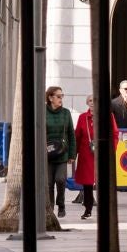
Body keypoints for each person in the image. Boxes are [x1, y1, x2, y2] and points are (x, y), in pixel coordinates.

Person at [44, 86, 75, 222]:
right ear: (50, 98)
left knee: (61, 180)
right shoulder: (42, 112)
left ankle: (61, 205)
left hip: (62, 153)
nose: (60, 99)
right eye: (58, 96)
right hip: (47, 154)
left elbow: (71, 135)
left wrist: (72, 155)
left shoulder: (66, 113)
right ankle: (50, 208)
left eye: (62, 96)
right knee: (49, 183)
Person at [72, 95, 97, 219]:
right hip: (86, 155)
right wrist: (73, 154)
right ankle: (88, 209)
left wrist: (111, 150)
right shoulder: (82, 117)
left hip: (100, 155)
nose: (93, 103)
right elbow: (77, 137)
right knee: (87, 184)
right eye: (90, 101)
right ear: (87, 103)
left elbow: (114, 134)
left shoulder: (107, 116)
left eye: (95, 100)